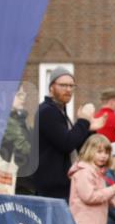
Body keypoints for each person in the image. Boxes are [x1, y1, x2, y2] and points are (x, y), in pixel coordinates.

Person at [32, 67, 104, 201]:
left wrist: (88, 128)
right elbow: (66, 143)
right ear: (51, 87)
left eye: (71, 86)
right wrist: (83, 121)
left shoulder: (59, 111)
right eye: (63, 85)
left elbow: (77, 145)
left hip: (62, 186)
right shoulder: (47, 111)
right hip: (52, 190)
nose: (68, 89)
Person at [68, 134, 115, 224]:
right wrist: (112, 189)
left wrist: (112, 200)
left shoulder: (95, 172)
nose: (104, 156)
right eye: (99, 152)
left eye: (106, 152)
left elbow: (96, 193)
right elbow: (89, 196)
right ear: (89, 151)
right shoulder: (85, 172)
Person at [0, 86, 34, 194]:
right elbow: (24, 148)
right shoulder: (8, 121)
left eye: (24, 94)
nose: (23, 97)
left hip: (21, 179)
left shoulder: (18, 119)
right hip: (14, 178)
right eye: (19, 94)